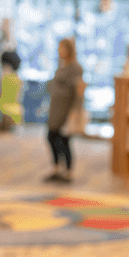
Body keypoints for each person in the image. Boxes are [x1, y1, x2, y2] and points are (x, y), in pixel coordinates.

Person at [46, 38, 85, 182]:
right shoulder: (61, 66)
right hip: (55, 109)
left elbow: (79, 90)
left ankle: (67, 172)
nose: (59, 51)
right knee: (51, 136)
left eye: (62, 48)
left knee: (64, 140)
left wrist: (75, 110)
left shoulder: (75, 68)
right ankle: (56, 168)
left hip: (66, 110)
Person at [0, 50, 23, 131]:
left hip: (2, 110)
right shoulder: (18, 79)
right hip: (17, 111)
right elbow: (19, 97)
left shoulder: (2, 78)